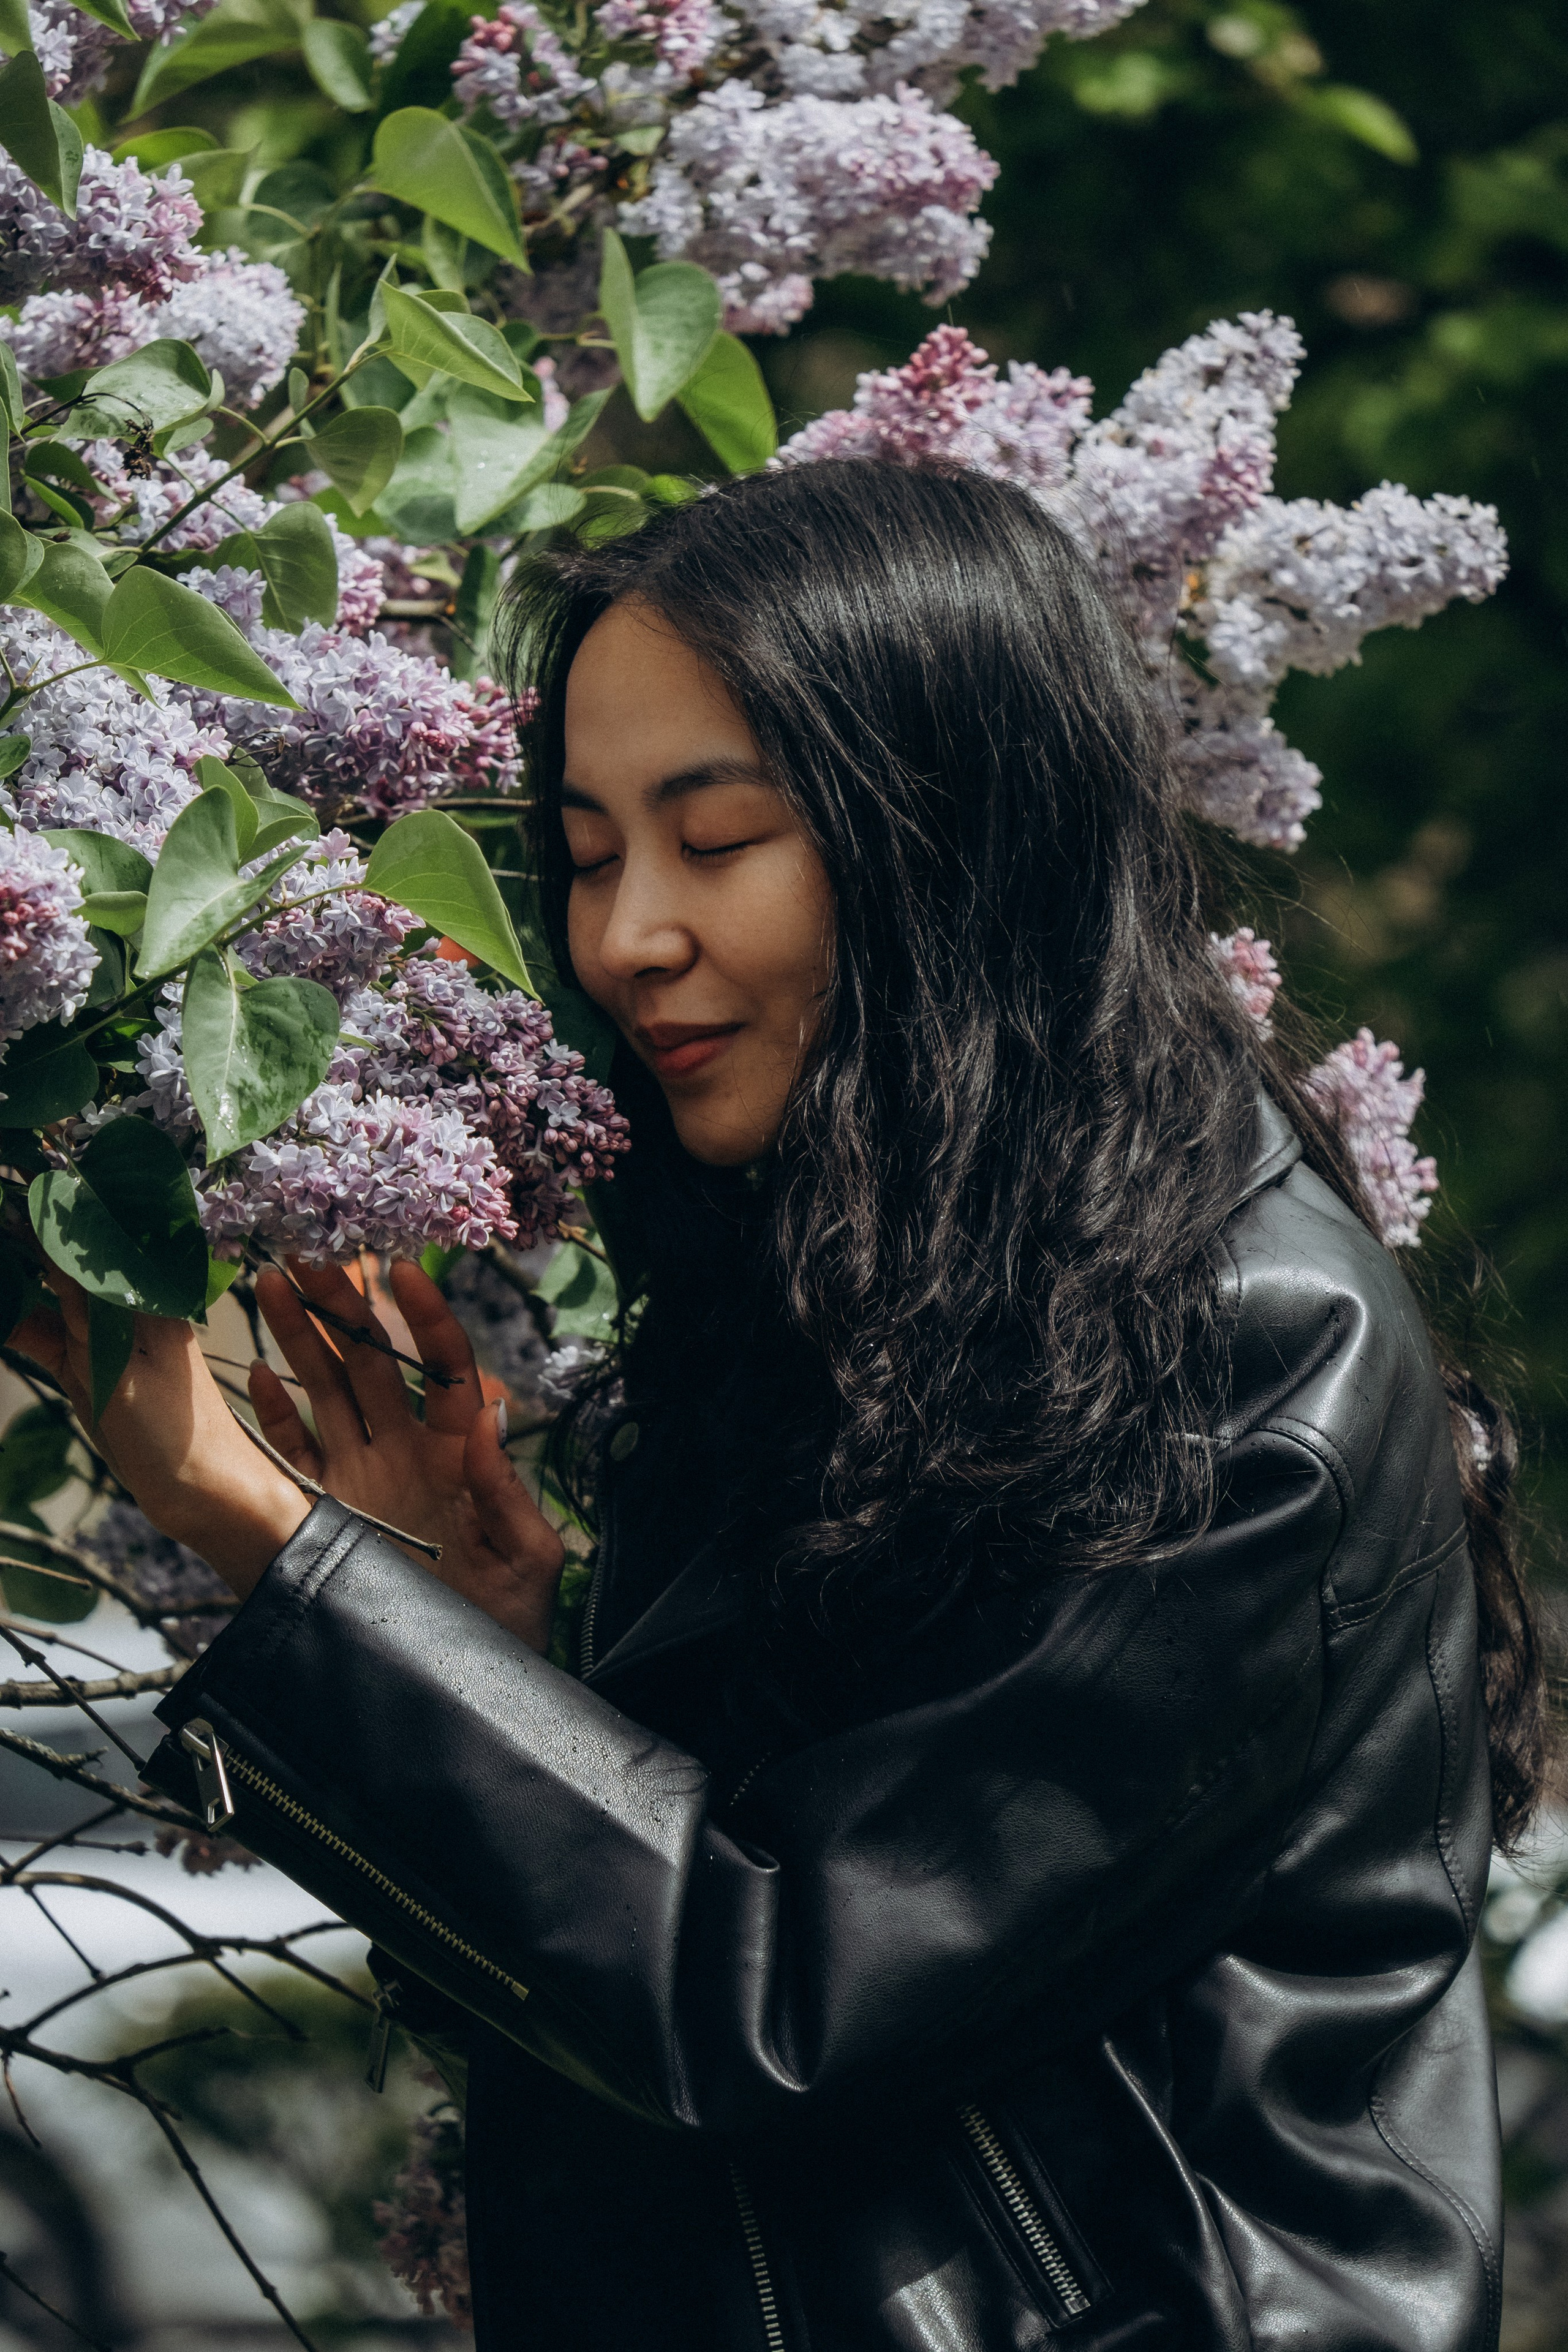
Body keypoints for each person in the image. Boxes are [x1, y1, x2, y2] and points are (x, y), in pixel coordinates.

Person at [17, 463, 1544, 2351]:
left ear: (954, 842)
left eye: (715, 838)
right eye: (586, 855)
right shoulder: (883, 1273)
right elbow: (748, 1908)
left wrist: (261, 1532)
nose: (623, 939)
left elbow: (772, 1997)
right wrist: (490, 1663)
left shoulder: (1237, 1351)